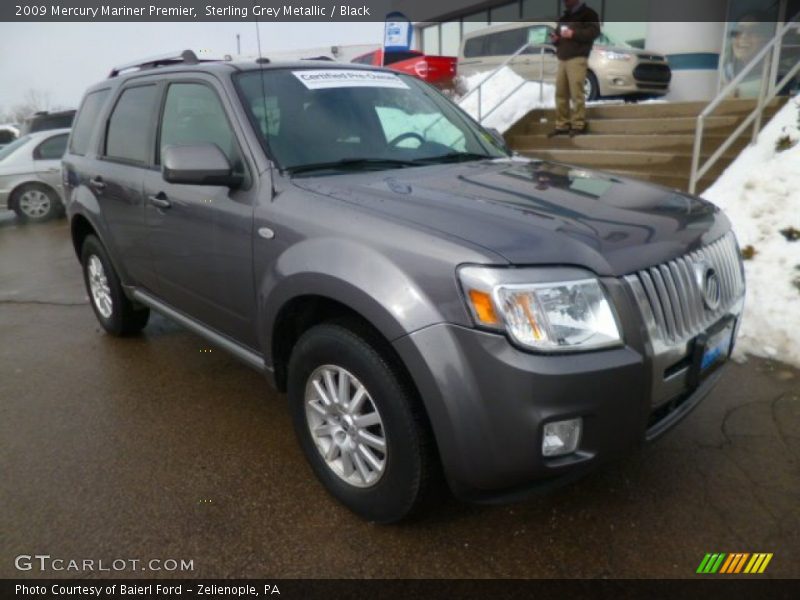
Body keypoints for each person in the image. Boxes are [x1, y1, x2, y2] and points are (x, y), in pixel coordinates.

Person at [548, 0, 601, 137]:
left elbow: (594, 32)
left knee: (576, 91)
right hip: (562, 58)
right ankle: (562, 124)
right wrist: (555, 39)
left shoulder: (589, 14)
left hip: (577, 57)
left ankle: (578, 124)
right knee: (560, 92)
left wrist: (573, 34)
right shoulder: (564, 17)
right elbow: (559, 36)